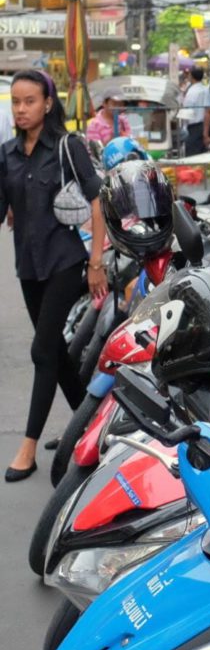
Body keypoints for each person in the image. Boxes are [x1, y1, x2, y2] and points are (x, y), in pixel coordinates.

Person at [0, 69, 108, 482]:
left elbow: (97, 203)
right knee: (58, 355)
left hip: (65, 262)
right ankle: (89, 425)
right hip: (28, 267)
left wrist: (95, 262)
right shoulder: (7, 153)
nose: (21, 109)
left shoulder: (67, 146)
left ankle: (27, 446)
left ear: (47, 104)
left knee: (42, 351)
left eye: (29, 101)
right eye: (16, 102)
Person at [180, 67, 210, 156]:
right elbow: (209, 110)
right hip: (203, 126)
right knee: (201, 154)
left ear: (191, 76)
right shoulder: (205, 89)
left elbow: (186, 110)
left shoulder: (192, 92)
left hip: (194, 127)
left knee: (193, 155)